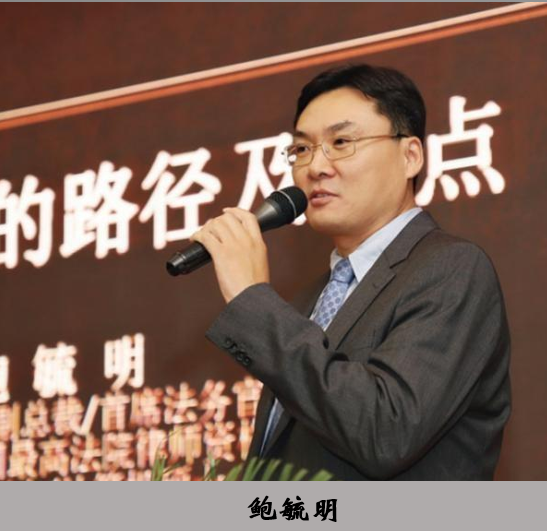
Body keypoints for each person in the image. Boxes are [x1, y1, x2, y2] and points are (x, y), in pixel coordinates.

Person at [192, 64, 511, 480]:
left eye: (341, 142)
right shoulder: (310, 300)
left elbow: (386, 432)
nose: (315, 167)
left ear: (410, 156)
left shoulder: (451, 269)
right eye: (302, 149)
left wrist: (254, 301)